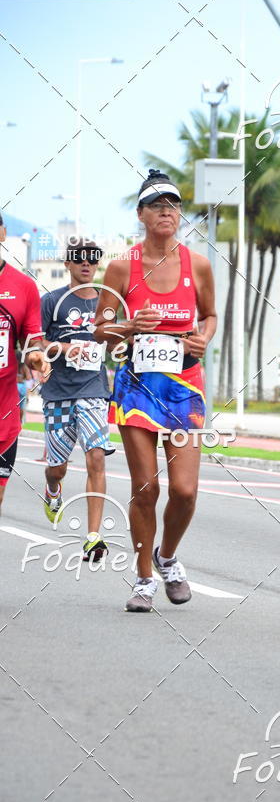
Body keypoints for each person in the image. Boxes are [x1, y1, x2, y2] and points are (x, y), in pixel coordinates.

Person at [94, 169, 216, 612]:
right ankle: (144, 578)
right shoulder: (122, 267)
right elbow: (101, 330)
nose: (168, 210)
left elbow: (210, 315)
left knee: (184, 490)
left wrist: (204, 337)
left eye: (174, 204)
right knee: (146, 488)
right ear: (142, 214)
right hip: (137, 387)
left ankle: (168, 556)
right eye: (158, 204)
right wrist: (129, 325)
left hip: (185, 386)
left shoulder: (197, 264)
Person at [40, 237, 114, 562]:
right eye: (79, 259)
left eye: (92, 259)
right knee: (57, 468)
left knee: (96, 458)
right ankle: (52, 490)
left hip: (94, 390)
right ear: (68, 264)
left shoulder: (106, 304)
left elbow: (114, 342)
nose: (86, 264)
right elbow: (36, 341)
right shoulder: (51, 301)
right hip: (58, 393)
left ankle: (93, 535)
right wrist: (65, 348)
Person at [0, 212, 50, 512]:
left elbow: (31, 343)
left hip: (3, 412)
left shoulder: (23, 286)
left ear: (2, 234)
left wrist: (37, 359)